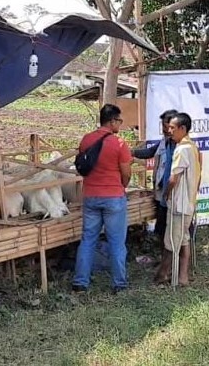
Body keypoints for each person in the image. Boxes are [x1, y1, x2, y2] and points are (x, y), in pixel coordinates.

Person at [73, 104, 132, 293]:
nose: (120, 125)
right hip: (114, 197)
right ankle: (119, 284)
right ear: (112, 121)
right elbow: (126, 173)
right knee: (116, 242)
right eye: (119, 121)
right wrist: (121, 186)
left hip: (90, 196)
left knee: (88, 239)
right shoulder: (119, 144)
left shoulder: (86, 139)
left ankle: (80, 282)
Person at [155, 112, 201, 286]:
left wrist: (166, 193)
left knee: (171, 242)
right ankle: (183, 277)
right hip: (188, 202)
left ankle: (164, 275)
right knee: (183, 239)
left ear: (183, 128)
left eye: (173, 128)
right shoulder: (192, 147)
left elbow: (174, 177)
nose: (169, 130)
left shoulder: (181, 149)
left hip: (178, 203)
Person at [132, 110, 178, 267]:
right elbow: (150, 152)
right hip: (161, 193)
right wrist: (131, 152)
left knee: (171, 228)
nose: (165, 129)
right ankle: (165, 259)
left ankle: (171, 262)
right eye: (164, 125)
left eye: (168, 125)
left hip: (172, 194)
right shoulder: (164, 141)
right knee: (161, 227)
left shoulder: (179, 145)